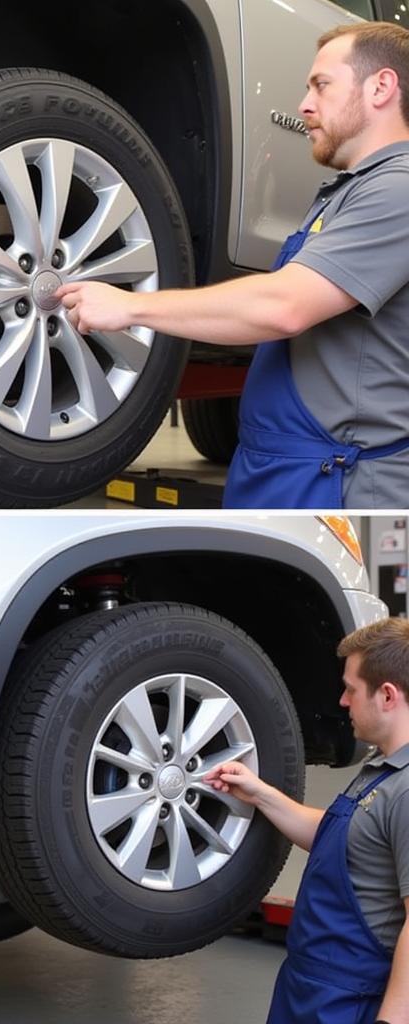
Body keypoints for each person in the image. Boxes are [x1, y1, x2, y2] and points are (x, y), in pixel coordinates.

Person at [56, 22, 409, 509]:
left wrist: (131, 307)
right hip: (287, 470)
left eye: (321, 85)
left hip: (342, 486)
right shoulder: (350, 191)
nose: (304, 105)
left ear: (381, 87)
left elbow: (284, 307)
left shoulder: (398, 189)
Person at [204, 618, 409, 1023]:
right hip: (309, 983)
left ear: (387, 695)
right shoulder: (381, 770)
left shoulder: (406, 789)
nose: (342, 702)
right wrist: (260, 793)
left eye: (351, 689)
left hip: (349, 999)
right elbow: (341, 840)